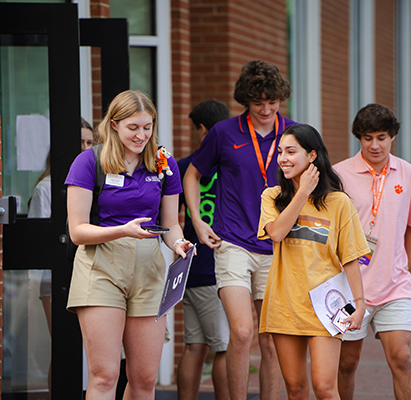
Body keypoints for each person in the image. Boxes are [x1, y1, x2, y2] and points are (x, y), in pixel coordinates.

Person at [65, 90, 193, 400]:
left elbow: (171, 223)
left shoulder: (165, 164)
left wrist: (179, 244)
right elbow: (77, 231)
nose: (141, 135)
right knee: (105, 375)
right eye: (133, 127)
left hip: (149, 267)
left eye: (147, 127)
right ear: (113, 125)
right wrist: (123, 230)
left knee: (145, 378)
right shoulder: (89, 161)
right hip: (101, 265)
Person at [183, 60, 296, 400]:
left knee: (272, 339)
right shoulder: (224, 133)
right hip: (232, 243)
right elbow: (192, 175)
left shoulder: (293, 133)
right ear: (245, 100)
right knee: (243, 332)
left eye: (272, 101)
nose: (266, 109)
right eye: (258, 101)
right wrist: (198, 222)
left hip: (276, 246)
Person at [257, 124, 369, 400]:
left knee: (325, 388)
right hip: (284, 304)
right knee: (295, 389)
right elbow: (277, 233)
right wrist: (302, 193)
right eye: (280, 151)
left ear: (311, 156)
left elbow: (351, 257)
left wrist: (359, 303)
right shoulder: (272, 197)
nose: (283, 157)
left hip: (325, 306)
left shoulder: (339, 202)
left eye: (291, 151)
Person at [333, 103, 411, 400]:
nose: (375, 145)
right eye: (368, 137)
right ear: (359, 137)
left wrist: (402, 267)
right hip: (348, 287)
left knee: (402, 359)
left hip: (394, 286)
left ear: (393, 137)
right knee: (346, 364)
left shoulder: (410, 175)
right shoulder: (338, 175)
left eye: (382, 137)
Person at [28, 117, 98, 397]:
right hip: (56, 280)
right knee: (65, 349)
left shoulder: (99, 180)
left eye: (89, 142)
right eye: (78, 142)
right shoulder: (46, 188)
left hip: (92, 276)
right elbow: (39, 243)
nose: (84, 147)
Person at [176, 99, 231, 400]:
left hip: (191, 266)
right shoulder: (231, 164)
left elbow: (168, 217)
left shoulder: (186, 166)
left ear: (201, 128)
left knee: (195, 345)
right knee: (224, 346)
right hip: (215, 270)